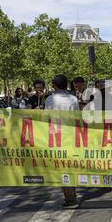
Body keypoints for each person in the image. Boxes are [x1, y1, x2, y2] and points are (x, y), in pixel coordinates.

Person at [45, 74, 80, 208]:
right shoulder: (73, 99)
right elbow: (77, 117)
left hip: (56, 137)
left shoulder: (50, 100)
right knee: (70, 164)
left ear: (54, 85)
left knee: (63, 167)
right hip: (70, 135)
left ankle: (70, 197)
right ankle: (72, 191)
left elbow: (46, 118)